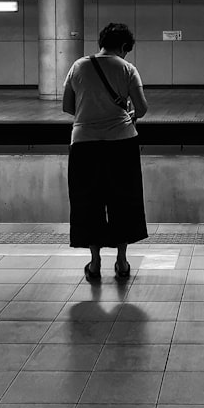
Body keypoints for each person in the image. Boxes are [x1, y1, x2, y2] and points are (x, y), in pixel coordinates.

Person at [62, 22, 149, 281]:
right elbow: (142, 109)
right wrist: (126, 114)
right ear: (123, 47)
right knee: (124, 201)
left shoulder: (78, 66)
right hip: (122, 143)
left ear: (101, 42)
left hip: (84, 144)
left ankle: (95, 261)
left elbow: (67, 106)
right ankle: (122, 262)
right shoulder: (127, 69)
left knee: (88, 202)